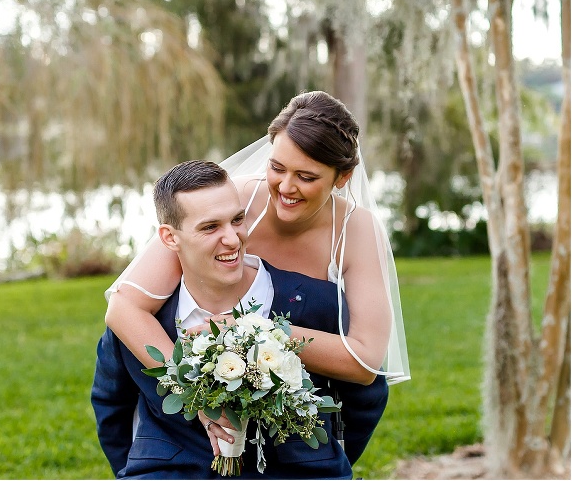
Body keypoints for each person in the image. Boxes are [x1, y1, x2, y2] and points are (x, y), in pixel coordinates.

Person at [104, 91, 411, 464]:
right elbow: (124, 306)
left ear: (342, 177)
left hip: (290, 428)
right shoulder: (235, 204)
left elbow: (365, 363)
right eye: (277, 167)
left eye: (307, 176)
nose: (285, 187)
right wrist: (194, 393)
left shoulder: (356, 230)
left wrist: (256, 332)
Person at [91, 160, 353, 479]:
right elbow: (111, 405)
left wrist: (326, 462)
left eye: (237, 220)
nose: (232, 238)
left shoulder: (318, 302)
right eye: (210, 227)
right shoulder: (139, 321)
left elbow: (363, 399)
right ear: (170, 238)